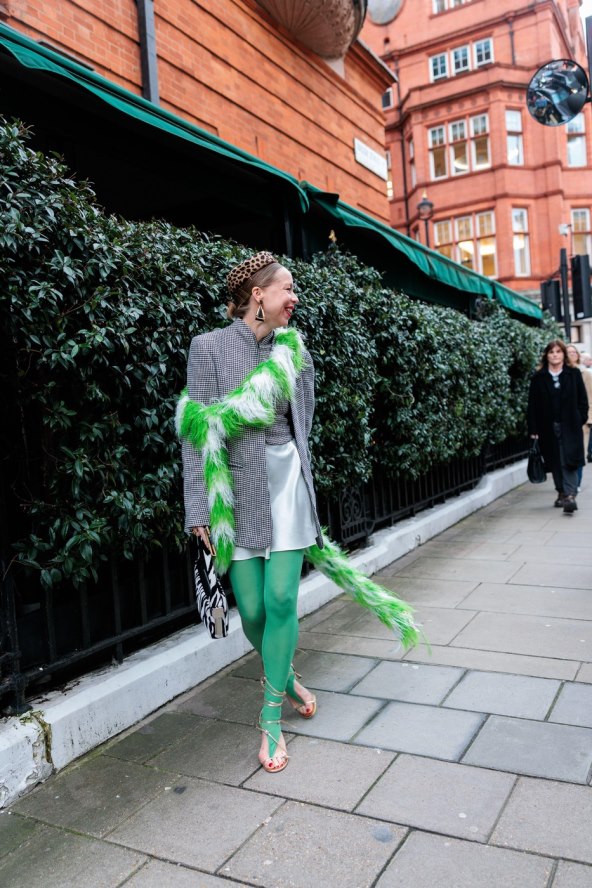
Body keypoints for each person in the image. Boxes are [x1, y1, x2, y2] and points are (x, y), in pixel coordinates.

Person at [181, 252, 320, 773]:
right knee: (254, 612)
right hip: (234, 492)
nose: (295, 298)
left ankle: (269, 720)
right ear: (258, 294)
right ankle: (287, 676)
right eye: (288, 288)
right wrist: (198, 505)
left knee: (282, 597)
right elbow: (196, 434)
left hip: (284, 484)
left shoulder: (294, 352)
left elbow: (303, 428)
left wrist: (306, 483)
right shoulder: (208, 348)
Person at [528, 339, 588, 513]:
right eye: (551, 352)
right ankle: (561, 492)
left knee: (569, 459)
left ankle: (569, 495)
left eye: (558, 352)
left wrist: (579, 419)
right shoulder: (538, 378)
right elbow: (532, 405)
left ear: (563, 355)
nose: (555, 355)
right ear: (547, 355)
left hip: (570, 425)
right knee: (555, 461)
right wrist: (533, 430)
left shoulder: (573, 374)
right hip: (546, 427)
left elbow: (582, 401)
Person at [566, 344, 592, 487]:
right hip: (564, 421)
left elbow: (590, 397)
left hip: (581, 420)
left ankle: (576, 484)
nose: (571, 354)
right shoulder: (561, 373)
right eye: (568, 352)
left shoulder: (585, 373)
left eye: (573, 352)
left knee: (579, 453)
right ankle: (568, 484)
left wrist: (587, 418)